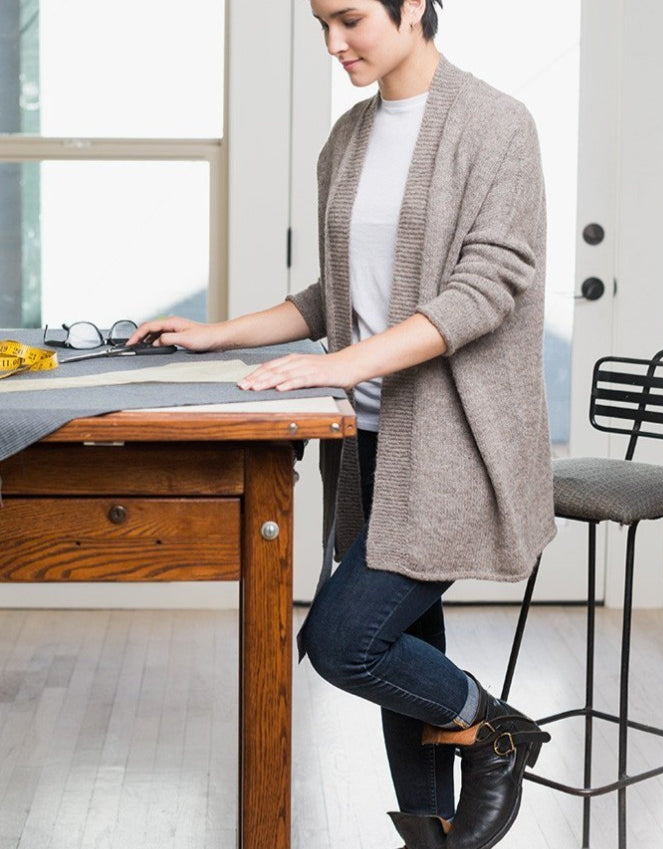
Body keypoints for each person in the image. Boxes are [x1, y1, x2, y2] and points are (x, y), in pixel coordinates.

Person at [128, 1, 557, 846]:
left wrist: (338, 364)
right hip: (365, 446)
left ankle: (498, 728)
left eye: (351, 17)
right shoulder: (349, 138)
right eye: (320, 21)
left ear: (414, 5)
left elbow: (484, 288)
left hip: (452, 447)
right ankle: (432, 834)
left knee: (342, 638)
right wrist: (218, 331)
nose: (333, 43)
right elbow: (340, 295)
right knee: (406, 637)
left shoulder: (499, 126)